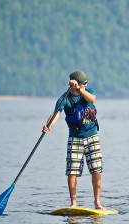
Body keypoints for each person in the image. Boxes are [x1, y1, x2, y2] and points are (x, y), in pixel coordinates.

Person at [42, 70, 105, 210]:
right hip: (75, 138)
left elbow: (92, 99)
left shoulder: (89, 91)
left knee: (96, 169)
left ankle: (97, 202)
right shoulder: (64, 99)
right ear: (76, 83)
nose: (87, 84)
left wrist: (81, 89)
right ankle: (73, 203)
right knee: (72, 171)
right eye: (84, 82)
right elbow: (56, 113)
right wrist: (48, 126)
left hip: (92, 135)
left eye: (86, 83)